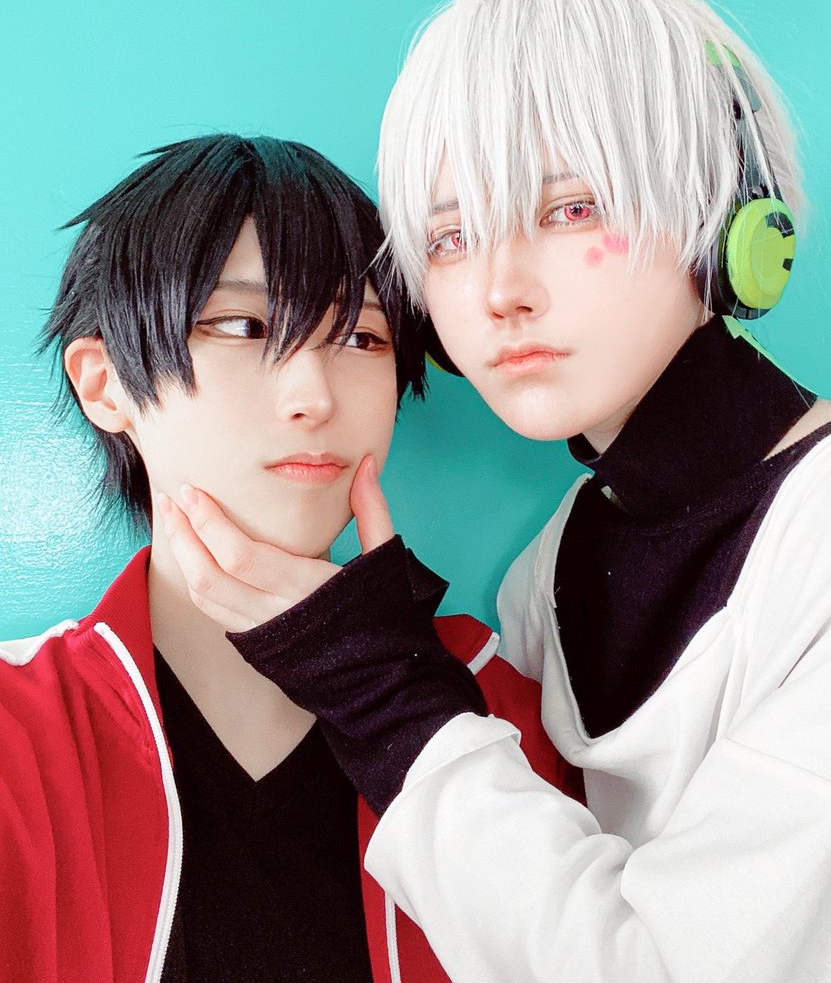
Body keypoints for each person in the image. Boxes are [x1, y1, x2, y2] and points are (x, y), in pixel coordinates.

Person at [160, 0, 831, 982]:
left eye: (569, 209)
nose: (498, 290)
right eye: (452, 237)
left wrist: (379, 687)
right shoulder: (546, 579)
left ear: (733, 215)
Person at [0, 133, 564, 983]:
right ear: (104, 384)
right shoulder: (17, 734)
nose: (313, 397)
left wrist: (395, 687)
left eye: (362, 338)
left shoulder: (501, 708)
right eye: (243, 325)